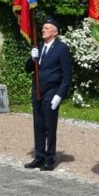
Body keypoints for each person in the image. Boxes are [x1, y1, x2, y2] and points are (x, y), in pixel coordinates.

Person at [24, 17, 72, 171]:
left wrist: (60, 95)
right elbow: (28, 69)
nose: (43, 30)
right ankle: (39, 156)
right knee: (38, 125)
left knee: (49, 126)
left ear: (55, 32)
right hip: (37, 91)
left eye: (47, 27)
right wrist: (32, 58)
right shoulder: (38, 46)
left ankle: (49, 158)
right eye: (43, 27)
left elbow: (67, 75)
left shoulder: (61, 48)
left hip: (51, 92)